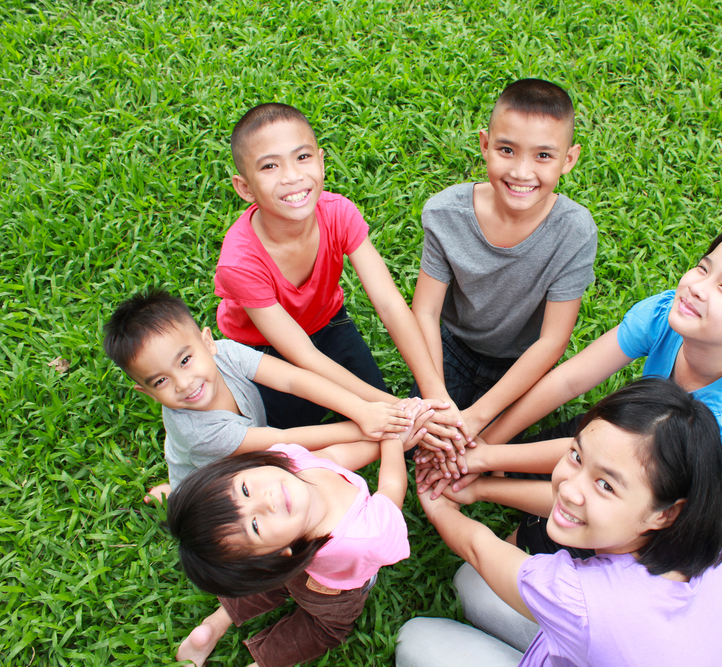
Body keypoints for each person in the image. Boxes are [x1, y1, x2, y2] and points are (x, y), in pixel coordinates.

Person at [421, 222, 722, 503]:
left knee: (565, 507)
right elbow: (569, 381)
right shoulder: (669, 311)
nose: (696, 287)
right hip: (624, 431)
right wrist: (485, 440)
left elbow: (616, 470)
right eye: (704, 268)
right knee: (519, 464)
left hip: (656, 491)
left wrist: (479, 472)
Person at [398, 379, 722, 666]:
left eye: (606, 485)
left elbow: (480, 548)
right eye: (577, 456)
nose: (570, 489)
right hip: (606, 642)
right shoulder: (704, 533)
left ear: (665, 513)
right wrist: (479, 489)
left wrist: (440, 505)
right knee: (473, 582)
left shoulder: (586, 600)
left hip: (596, 625)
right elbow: (579, 508)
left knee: (413, 640)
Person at [215, 103, 465, 454]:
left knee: (390, 431)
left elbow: (391, 305)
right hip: (264, 352)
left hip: (330, 327)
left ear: (320, 160)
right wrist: (398, 410)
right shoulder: (240, 261)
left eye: (302, 157)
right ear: (245, 187)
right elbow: (301, 354)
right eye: (270, 166)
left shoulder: (338, 213)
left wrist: (434, 394)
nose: (291, 176)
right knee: (282, 452)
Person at [167, 401, 430, 667]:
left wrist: (389, 439)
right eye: (255, 526)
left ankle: (213, 625)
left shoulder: (288, 465)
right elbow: (391, 488)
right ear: (277, 556)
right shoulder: (365, 537)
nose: (267, 500)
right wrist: (394, 442)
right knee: (325, 628)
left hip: (293, 567)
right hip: (329, 593)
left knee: (268, 585)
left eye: (246, 490)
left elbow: (334, 457)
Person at [411, 78, 597, 442]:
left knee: (486, 456)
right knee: (421, 442)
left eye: (543, 156)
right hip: (453, 346)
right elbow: (425, 312)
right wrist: (438, 401)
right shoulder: (446, 213)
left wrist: (478, 418)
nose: (521, 172)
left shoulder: (575, 232)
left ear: (568, 159)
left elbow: (552, 341)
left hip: (523, 365)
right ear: (484, 144)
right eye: (507, 150)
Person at [103, 289, 426, 496]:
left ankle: (174, 489)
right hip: (217, 492)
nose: (184, 383)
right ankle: (177, 494)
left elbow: (293, 380)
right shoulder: (199, 432)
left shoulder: (226, 353)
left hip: (247, 454)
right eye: (160, 381)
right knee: (296, 479)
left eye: (185, 360)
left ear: (207, 342)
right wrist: (374, 426)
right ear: (145, 391)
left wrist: (361, 409)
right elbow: (283, 442)